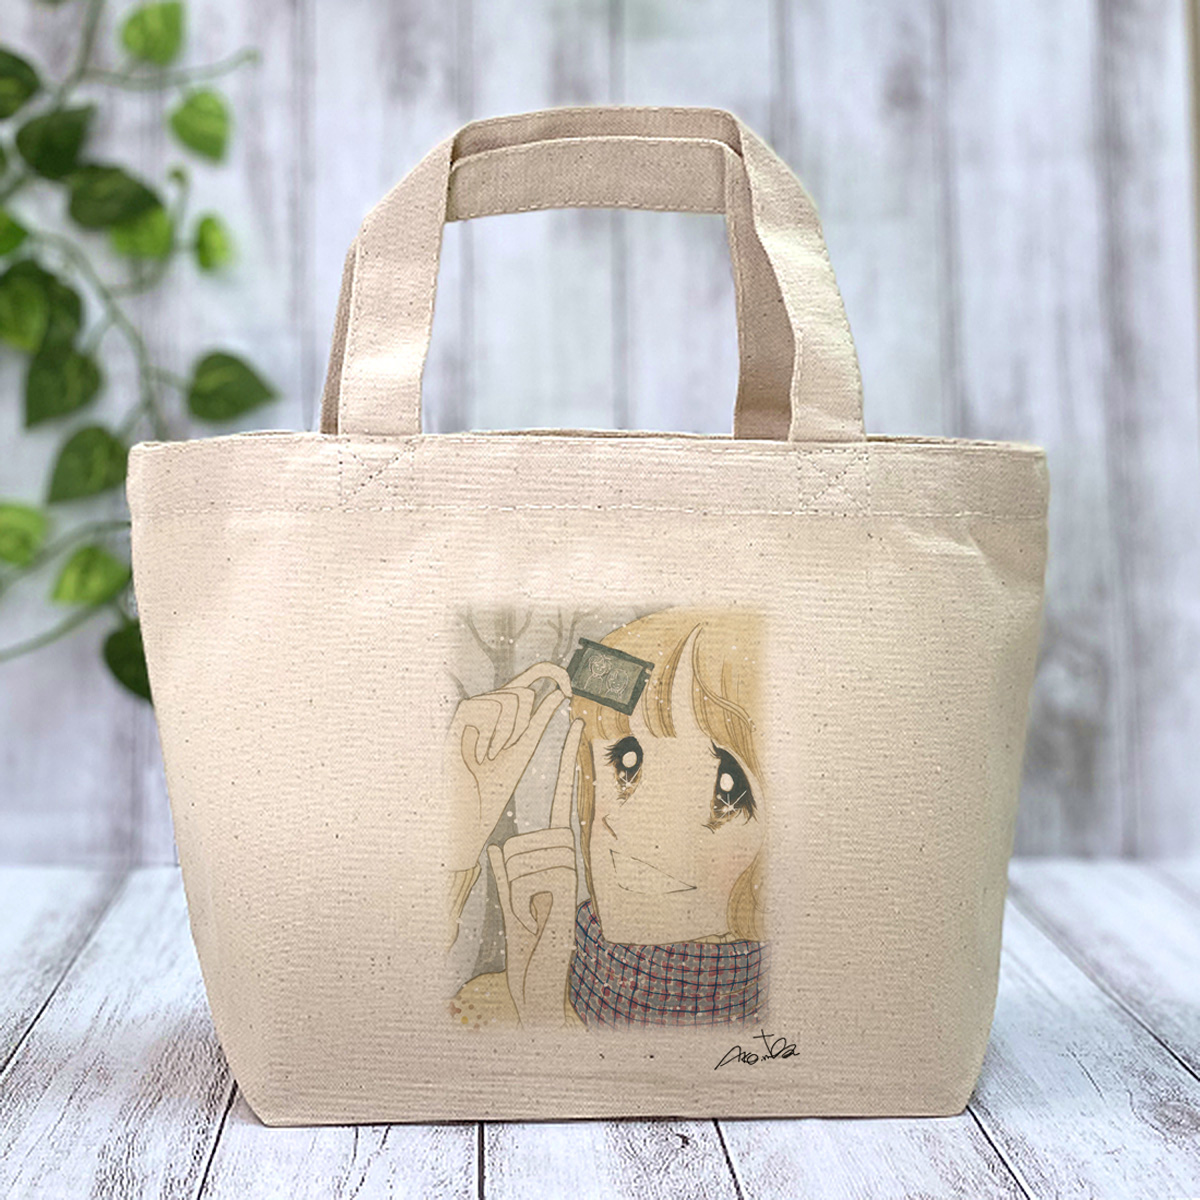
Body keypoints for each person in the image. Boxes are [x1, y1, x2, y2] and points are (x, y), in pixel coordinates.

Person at [444, 607, 768, 1032]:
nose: (629, 823)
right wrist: (457, 846)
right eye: (625, 762)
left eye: (726, 791)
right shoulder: (489, 1008)